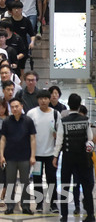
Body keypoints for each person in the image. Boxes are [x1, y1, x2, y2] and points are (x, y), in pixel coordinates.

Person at [53, 93, 95, 222]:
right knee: (86, 186)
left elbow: (59, 141)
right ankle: (90, 215)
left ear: (69, 105)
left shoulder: (63, 121)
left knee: (65, 185)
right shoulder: (85, 120)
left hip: (68, 157)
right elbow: (90, 139)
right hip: (83, 157)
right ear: (79, 105)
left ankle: (64, 215)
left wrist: (55, 157)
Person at [0, 98, 37, 215]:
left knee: (25, 182)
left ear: (21, 106)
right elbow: (3, 139)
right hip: (10, 157)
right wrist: (1, 155)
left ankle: (25, 206)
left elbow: (32, 139)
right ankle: (10, 206)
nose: (14, 109)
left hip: (25, 157)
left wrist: (33, 156)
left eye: (17, 106)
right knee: (10, 182)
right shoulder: (6, 121)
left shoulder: (28, 121)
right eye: (12, 107)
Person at [26, 90, 60, 213]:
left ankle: (53, 204)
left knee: (52, 179)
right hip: (36, 154)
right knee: (37, 180)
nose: (43, 101)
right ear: (37, 100)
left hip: (51, 154)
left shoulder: (56, 114)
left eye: (46, 98)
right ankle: (39, 204)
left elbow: (59, 134)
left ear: (50, 99)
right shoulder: (31, 113)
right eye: (41, 98)